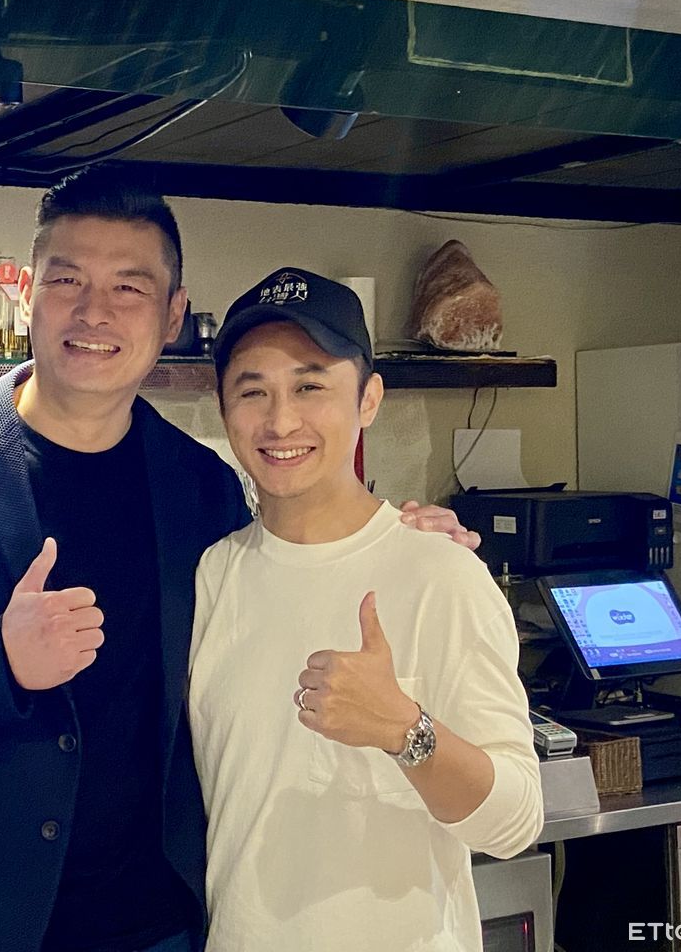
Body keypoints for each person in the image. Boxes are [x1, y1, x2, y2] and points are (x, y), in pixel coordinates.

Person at [0, 168, 478, 952]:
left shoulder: (202, 488)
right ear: (28, 295)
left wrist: (400, 540)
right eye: (66, 280)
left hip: (149, 930)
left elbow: (293, 576)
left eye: (129, 288)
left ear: (173, 313)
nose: (94, 311)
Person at [189, 269, 543, 952]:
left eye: (311, 386)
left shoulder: (439, 572)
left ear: (369, 398)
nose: (280, 421)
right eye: (253, 391)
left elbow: (515, 822)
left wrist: (406, 731)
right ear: (224, 409)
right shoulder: (213, 575)